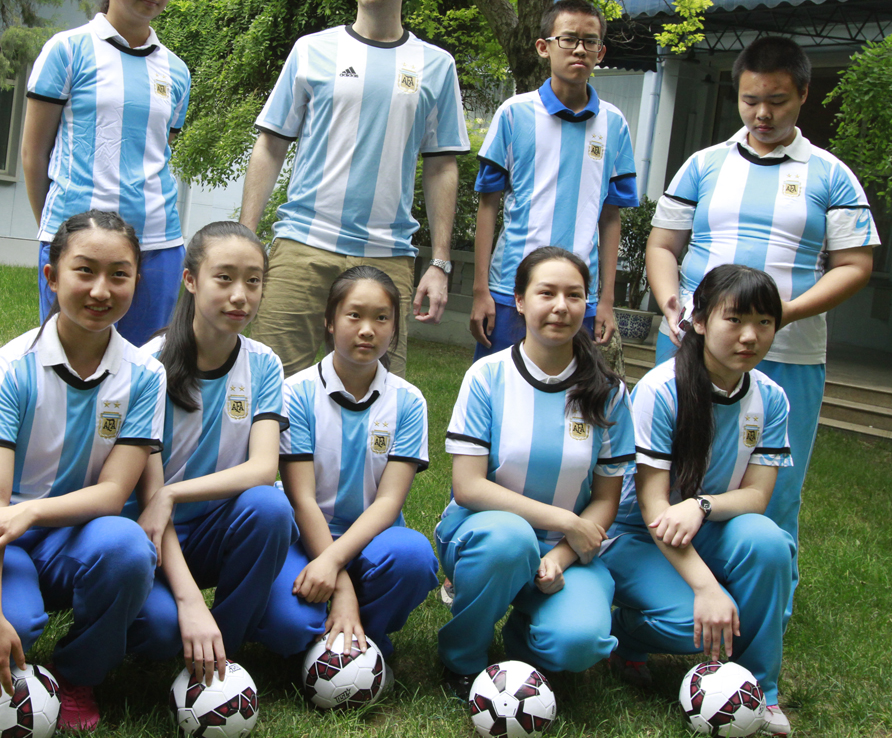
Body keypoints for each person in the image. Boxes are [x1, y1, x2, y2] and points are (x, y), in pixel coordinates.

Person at [646, 36, 879, 608]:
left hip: (790, 353)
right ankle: (661, 582)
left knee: (776, 481)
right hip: (692, 347)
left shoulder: (832, 174)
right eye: (751, 100)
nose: (762, 113)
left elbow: (856, 264)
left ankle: (768, 594)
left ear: (803, 93)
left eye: (776, 100)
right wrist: (671, 300)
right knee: (669, 468)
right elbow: (662, 244)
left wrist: (780, 317)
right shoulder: (704, 165)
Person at [239, 0, 470, 378]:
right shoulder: (311, 50)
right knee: (272, 390)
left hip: (387, 255)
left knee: (377, 403)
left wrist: (439, 262)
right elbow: (270, 145)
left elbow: (442, 166)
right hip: (302, 246)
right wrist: (245, 240)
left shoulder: (436, 66)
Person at [602, 264, 795, 736]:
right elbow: (651, 508)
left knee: (768, 543)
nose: (750, 336)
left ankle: (759, 690)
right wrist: (708, 590)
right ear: (702, 321)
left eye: (764, 322)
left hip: (705, 527)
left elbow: (757, 495)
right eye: (735, 320)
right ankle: (628, 632)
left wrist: (703, 505)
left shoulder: (771, 398)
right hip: (637, 537)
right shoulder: (661, 389)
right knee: (707, 625)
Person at [0, 210, 165, 731]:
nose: (100, 290)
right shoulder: (10, 368)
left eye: (119, 274)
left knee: (129, 547)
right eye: (83, 271)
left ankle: (77, 675)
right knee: (12, 623)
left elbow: (114, 494)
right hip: (7, 539)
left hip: (77, 535)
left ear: (137, 280)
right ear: (51, 276)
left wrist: (35, 512)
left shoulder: (143, 375)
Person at [436, 246, 635, 699]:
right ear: (521, 301)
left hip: (566, 551)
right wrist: (564, 520)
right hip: (485, 535)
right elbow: (468, 487)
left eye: (574, 295)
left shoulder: (609, 393)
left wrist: (563, 553)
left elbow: (606, 498)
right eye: (546, 293)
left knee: (580, 644)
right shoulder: (487, 376)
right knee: (510, 540)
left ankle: (525, 635)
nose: (561, 306)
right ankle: (462, 658)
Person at [123, 221, 294, 686]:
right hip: (152, 537)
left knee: (271, 507)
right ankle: (185, 627)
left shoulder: (263, 363)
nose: (241, 295)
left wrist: (173, 493)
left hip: (219, 530)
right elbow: (150, 504)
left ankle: (222, 662)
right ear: (190, 280)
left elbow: (263, 469)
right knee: (161, 634)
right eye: (225, 278)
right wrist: (189, 601)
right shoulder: (150, 364)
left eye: (254, 280)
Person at [252, 265, 438, 662]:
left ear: (394, 329)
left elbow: (389, 503)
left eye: (381, 318)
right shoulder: (295, 393)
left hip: (372, 538)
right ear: (330, 322)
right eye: (354, 315)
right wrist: (342, 585)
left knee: (414, 558)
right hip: (302, 538)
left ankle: (365, 639)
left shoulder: (408, 401)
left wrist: (336, 565)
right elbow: (301, 499)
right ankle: (325, 623)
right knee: (289, 631)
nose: (367, 329)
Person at [22, 0, 191, 346]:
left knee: (148, 363)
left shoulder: (177, 71)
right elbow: (33, 153)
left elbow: (158, 151)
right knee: (69, 364)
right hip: (78, 240)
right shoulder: (67, 50)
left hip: (158, 243)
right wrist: (60, 232)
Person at [471, 0, 637, 360]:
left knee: (572, 400)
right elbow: (488, 206)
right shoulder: (513, 114)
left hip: (581, 297)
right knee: (500, 393)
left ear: (601, 51)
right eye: (568, 38)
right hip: (509, 289)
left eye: (590, 41)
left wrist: (606, 301)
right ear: (544, 47)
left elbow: (611, 217)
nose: (579, 49)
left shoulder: (614, 124)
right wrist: (481, 291)